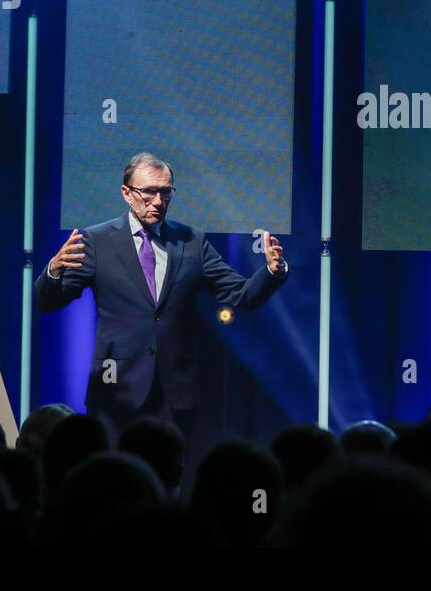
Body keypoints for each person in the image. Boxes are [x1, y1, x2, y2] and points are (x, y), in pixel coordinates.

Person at [34, 152, 288, 476]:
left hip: (174, 393)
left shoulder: (191, 241)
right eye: (149, 192)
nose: (158, 201)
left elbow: (240, 295)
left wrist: (273, 271)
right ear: (127, 193)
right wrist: (53, 271)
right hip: (117, 392)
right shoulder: (97, 241)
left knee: (166, 480)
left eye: (165, 192)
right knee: (113, 480)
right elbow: (49, 302)